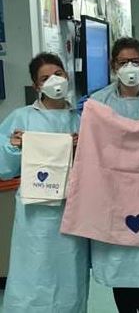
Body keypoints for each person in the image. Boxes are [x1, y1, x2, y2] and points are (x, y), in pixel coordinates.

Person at [0, 53, 90, 313]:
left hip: (71, 214)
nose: (54, 81)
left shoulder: (82, 120)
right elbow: (4, 169)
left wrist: (82, 146)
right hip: (34, 218)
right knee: (33, 275)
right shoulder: (22, 118)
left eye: (59, 74)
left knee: (68, 277)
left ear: (67, 76)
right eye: (45, 78)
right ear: (36, 85)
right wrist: (13, 147)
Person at [89, 37, 139, 313]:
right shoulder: (97, 103)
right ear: (114, 66)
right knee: (120, 276)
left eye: (135, 61)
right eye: (123, 62)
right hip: (112, 197)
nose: (130, 67)